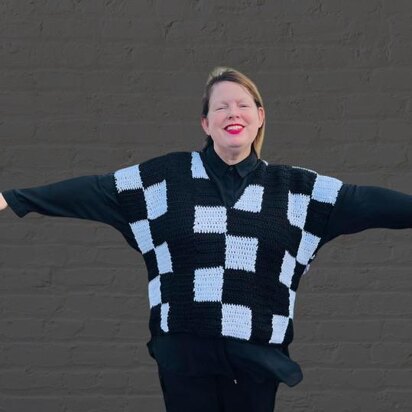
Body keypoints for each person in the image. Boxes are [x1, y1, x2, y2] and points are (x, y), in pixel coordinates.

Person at [1, 66, 411, 412]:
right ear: (206, 122)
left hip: (256, 360)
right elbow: (95, 190)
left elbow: (365, 202)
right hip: (184, 357)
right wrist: (13, 199)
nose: (233, 112)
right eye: (221, 106)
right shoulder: (162, 180)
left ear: (260, 116)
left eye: (242, 104)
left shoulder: (297, 189)